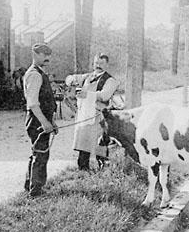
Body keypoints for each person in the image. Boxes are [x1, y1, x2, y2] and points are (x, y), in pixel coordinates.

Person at [65, 53, 119, 171]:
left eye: (101, 63)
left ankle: (103, 169)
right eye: (96, 63)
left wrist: (87, 94)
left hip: (99, 116)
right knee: (83, 143)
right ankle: (83, 168)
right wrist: (71, 81)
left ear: (107, 65)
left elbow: (105, 95)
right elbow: (68, 78)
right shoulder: (87, 77)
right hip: (85, 114)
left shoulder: (111, 81)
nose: (98, 65)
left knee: (100, 144)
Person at [22, 43, 57, 198]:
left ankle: (30, 184)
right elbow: (33, 104)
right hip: (37, 121)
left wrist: (52, 122)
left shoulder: (40, 73)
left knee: (38, 152)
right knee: (40, 154)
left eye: (48, 55)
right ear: (35, 55)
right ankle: (36, 191)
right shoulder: (35, 75)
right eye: (44, 55)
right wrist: (45, 123)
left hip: (41, 119)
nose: (47, 58)